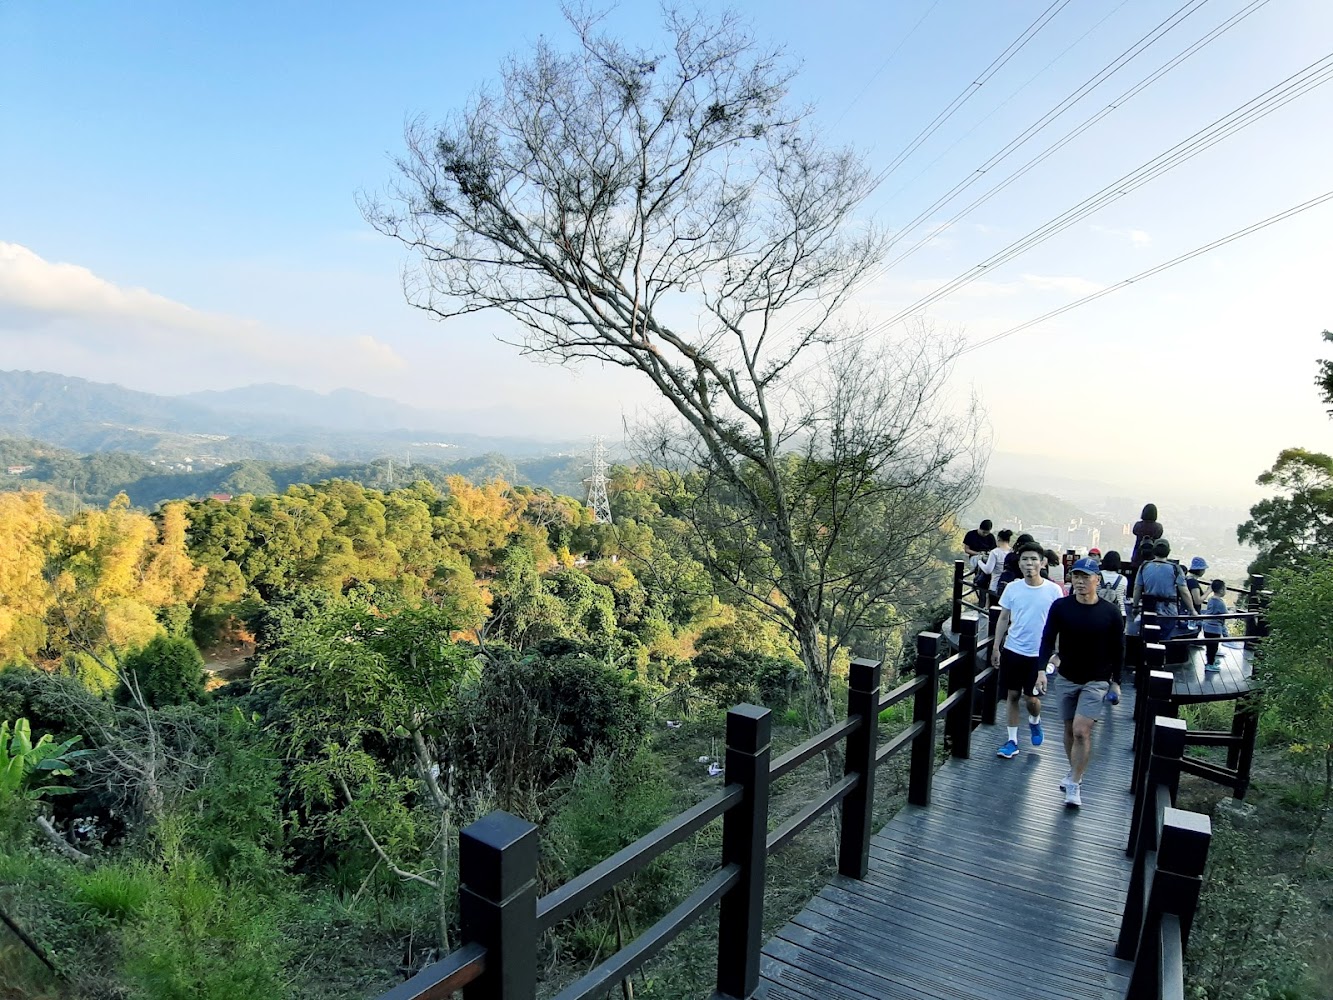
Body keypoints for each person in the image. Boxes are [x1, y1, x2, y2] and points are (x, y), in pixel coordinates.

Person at [1039, 557, 1124, 809]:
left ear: (1097, 579)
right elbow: (1046, 639)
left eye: (1086, 577)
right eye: (1076, 576)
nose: (1080, 581)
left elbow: (1119, 650)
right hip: (1066, 677)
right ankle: (1074, 770)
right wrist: (1042, 669)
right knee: (1068, 730)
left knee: (1080, 730)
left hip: (1097, 680)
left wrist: (1116, 682)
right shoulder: (1061, 607)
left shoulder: (1110, 612)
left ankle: (1075, 783)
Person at [990, 542, 1063, 759]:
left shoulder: (1053, 590)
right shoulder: (1013, 588)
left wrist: (1056, 652)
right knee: (1012, 695)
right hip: (1013, 650)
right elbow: (1003, 618)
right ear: (1019, 563)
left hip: (1037, 654)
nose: (1029, 563)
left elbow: (1059, 623)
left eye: (1033, 559)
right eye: (1024, 559)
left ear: (1042, 562)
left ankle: (1034, 720)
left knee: (1031, 699)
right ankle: (1012, 741)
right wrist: (996, 647)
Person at [1131, 538, 1196, 642]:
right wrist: (1192, 610)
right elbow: (1184, 591)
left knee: (1147, 637)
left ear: (1154, 550)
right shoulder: (1175, 568)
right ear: (1168, 551)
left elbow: (1137, 588)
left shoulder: (1144, 566)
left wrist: (1135, 606)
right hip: (1169, 610)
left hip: (1149, 608)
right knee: (1164, 639)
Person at [1095, 551, 1129, 703]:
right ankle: (1111, 675)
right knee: (1115, 646)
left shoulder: (1096, 576)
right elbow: (1123, 598)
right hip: (1118, 614)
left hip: (1097, 612)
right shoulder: (1123, 580)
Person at [981, 529, 1014, 606]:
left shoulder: (995, 552)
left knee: (993, 612)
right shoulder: (1012, 552)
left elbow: (988, 570)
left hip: (995, 586)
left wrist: (980, 561)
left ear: (998, 538)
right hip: (1009, 587)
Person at [1202, 579, 1229, 673]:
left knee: (1210, 647)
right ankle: (1210, 664)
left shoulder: (1211, 599)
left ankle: (1210, 662)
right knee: (1213, 648)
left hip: (1206, 626)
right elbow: (1225, 614)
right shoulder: (1220, 602)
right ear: (1221, 590)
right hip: (1214, 628)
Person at [1182, 557, 1209, 638]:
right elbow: (1197, 600)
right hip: (1192, 615)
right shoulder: (1193, 582)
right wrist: (1208, 591)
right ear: (1200, 570)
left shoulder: (1186, 579)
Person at [1130, 503, 1163, 568]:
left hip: (1138, 556)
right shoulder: (1158, 527)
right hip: (1152, 557)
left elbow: (1134, 531)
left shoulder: (1138, 525)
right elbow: (1159, 535)